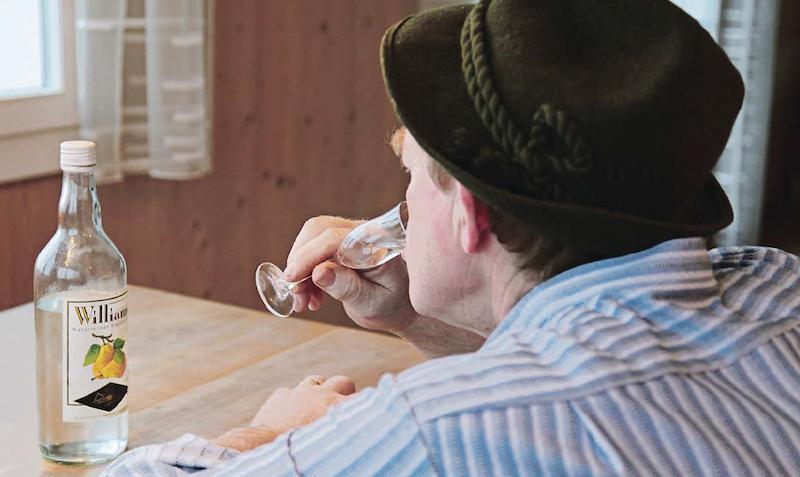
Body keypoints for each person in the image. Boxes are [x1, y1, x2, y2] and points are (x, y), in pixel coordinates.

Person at [103, 0, 800, 475]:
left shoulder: (428, 430)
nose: (401, 204)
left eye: (410, 175)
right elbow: (580, 367)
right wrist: (415, 318)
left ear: (471, 213)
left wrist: (276, 433)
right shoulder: (778, 285)